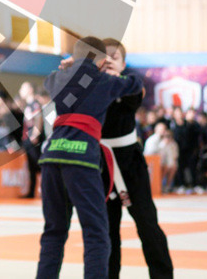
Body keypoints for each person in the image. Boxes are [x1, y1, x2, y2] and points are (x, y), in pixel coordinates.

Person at [36, 36, 143, 279]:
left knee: (53, 232)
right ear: (103, 60)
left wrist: (69, 66)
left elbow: (49, 79)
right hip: (81, 158)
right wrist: (118, 70)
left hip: (52, 157)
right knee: (96, 233)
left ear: (75, 56)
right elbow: (135, 84)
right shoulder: (104, 81)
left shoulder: (56, 78)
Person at [99, 38, 172, 279]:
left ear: (124, 62)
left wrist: (115, 77)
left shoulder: (131, 83)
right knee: (107, 231)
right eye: (104, 56)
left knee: (147, 224)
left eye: (115, 57)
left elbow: (134, 95)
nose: (109, 61)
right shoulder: (90, 87)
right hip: (102, 164)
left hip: (131, 162)